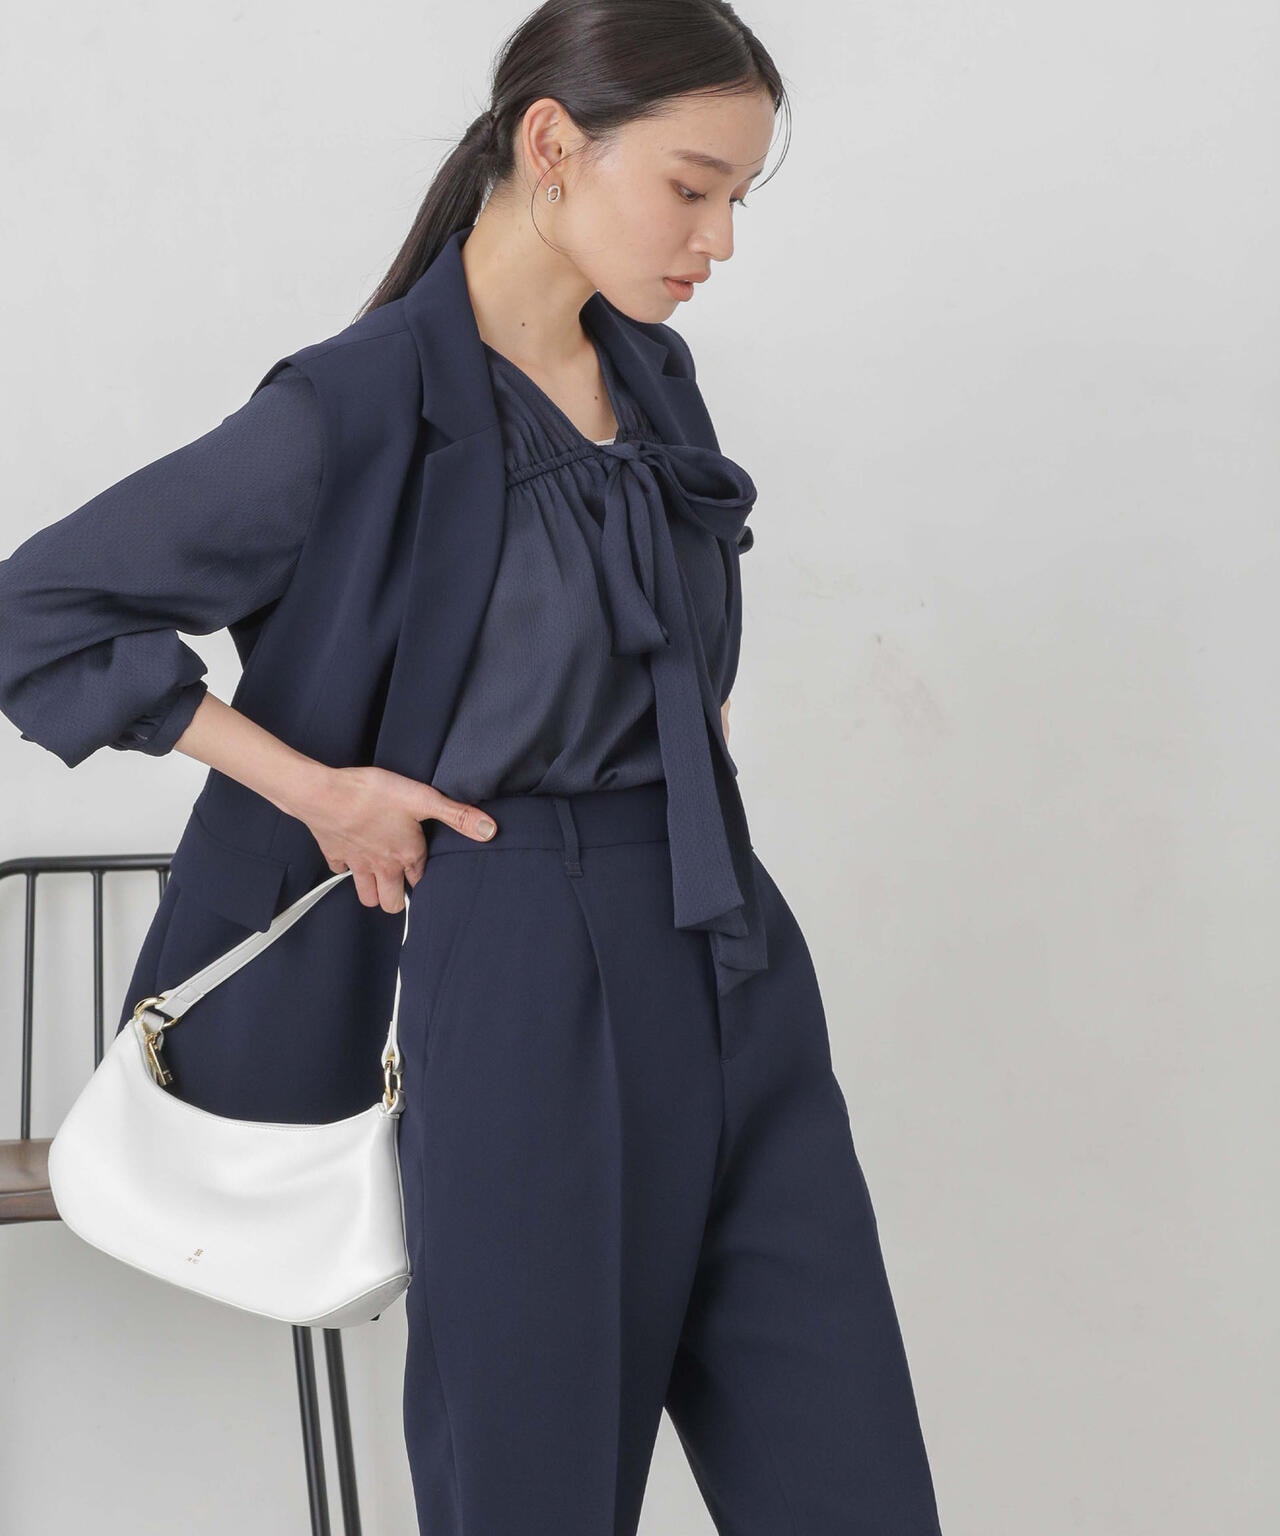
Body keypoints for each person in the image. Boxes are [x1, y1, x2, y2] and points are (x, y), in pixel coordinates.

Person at [0, 3, 945, 1531]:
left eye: (737, 200)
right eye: (691, 188)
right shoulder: (354, 408)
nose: (717, 240)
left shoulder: (654, 376)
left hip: (734, 951)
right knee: (534, 1490)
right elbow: (37, 612)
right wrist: (320, 791)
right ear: (553, 144)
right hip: (520, 961)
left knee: (850, 1482)